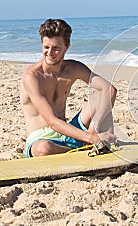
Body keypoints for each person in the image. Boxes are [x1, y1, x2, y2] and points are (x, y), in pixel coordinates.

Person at [20, 19, 117, 157]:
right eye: (46, 47)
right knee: (43, 149)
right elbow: (52, 122)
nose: (50, 53)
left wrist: (93, 129)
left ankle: (94, 143)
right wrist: (89, 138)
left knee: (102, 98)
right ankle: (84, 150)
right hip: (42, 139)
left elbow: (109, 89)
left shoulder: (73, 68)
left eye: (56, 48)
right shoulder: (32, 77)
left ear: (67, 47)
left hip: (70, 132)